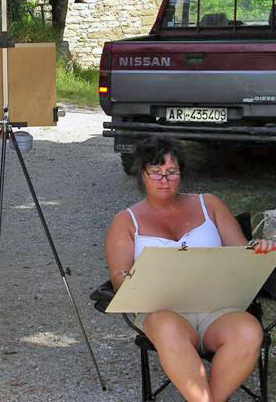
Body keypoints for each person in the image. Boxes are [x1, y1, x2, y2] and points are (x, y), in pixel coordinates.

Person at [105, 136, 275, 402]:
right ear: (142, 174)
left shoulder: (210, 205)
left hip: (217, 307)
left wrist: (258, 248)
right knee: (168, 328)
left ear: (181, 173)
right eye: (157, 173)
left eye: (172, 172)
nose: (165, 179)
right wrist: (134, 276)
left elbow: (241, 253)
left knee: (249, 331)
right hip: (162, 310)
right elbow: (118, 280)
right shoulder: (126, 221)